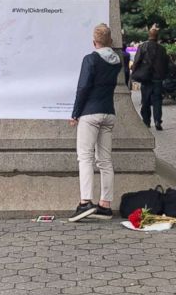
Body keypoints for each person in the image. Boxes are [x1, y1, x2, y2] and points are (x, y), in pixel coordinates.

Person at [69, 23, 122, 222]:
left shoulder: (90, 59)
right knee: (105, 161)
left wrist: (75, 113)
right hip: (109, 113)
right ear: (110, 41)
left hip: (90, 114)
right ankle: (105, 205)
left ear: (94, 41)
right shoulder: (117, 61)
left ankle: (85, 203)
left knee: (85, 157)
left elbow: (83, 87)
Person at [132, 26, 170, 130]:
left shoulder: (143, 46)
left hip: (146, 78)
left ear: (149, 36)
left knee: (145, 100)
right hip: (158, 78)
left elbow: (137, 61)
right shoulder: (162, 49)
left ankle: (146, 122)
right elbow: (166, 63)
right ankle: (157, 120)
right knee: (157, 100)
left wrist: (134, 72)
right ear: (157, 37)